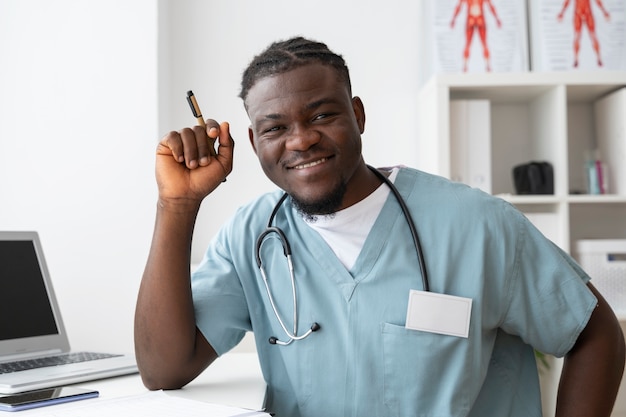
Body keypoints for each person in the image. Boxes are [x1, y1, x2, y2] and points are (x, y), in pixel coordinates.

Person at [134, 36, 625, 416]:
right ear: (253, 140)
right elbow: (164, 368)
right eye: (275, 127)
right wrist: (177, 206)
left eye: (322, 114)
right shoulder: (252, 238)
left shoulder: (476, 224)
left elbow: (593, 332)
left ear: (358, 115)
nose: (301, 140)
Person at [557, 0, 611, 67]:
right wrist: (562, 12)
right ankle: (576, 59)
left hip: (588, 13)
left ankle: (598, 57)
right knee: (577, 36)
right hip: (578, 13)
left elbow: (597, 1)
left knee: (592, 35)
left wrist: (604, 11)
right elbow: (567, 1)